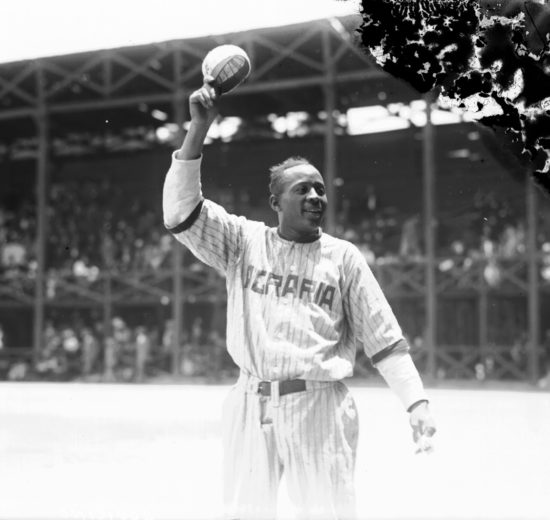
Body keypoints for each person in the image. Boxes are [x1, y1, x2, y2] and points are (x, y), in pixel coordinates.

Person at [162, 79, 437, 520]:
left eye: (320, 189)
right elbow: (180, 213)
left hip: (319, 405)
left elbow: (384, 339)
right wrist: (197, 132)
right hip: (251, 402)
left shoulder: (343, 258)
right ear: (275, 202)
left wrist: (416, 402)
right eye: (302, 189)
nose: (315, 196)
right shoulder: (242, 241)